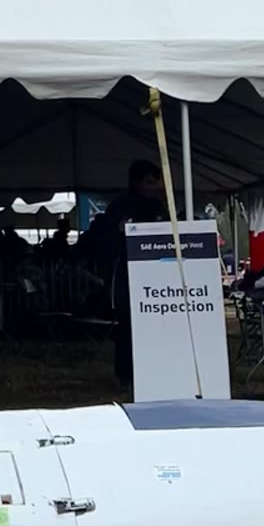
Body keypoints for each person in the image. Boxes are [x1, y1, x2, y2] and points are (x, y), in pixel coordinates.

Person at [80, 158, 171, 397]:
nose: (154, 187)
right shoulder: (120, 206)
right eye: (149, 182)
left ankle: (153, 372)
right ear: (136, 181)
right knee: (128, 328)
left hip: (157, 278)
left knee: (155, 327)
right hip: (127, 278)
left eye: (156, 182)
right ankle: (126, 376)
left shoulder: (160, 206)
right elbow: (108, 243)